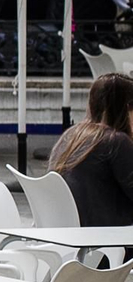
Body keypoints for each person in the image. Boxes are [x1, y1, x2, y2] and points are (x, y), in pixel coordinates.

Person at [49, 72, 133, 227]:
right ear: (127, 109)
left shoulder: (71, 136)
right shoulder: (116, 142)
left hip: (71, 237)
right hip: (110, 240)